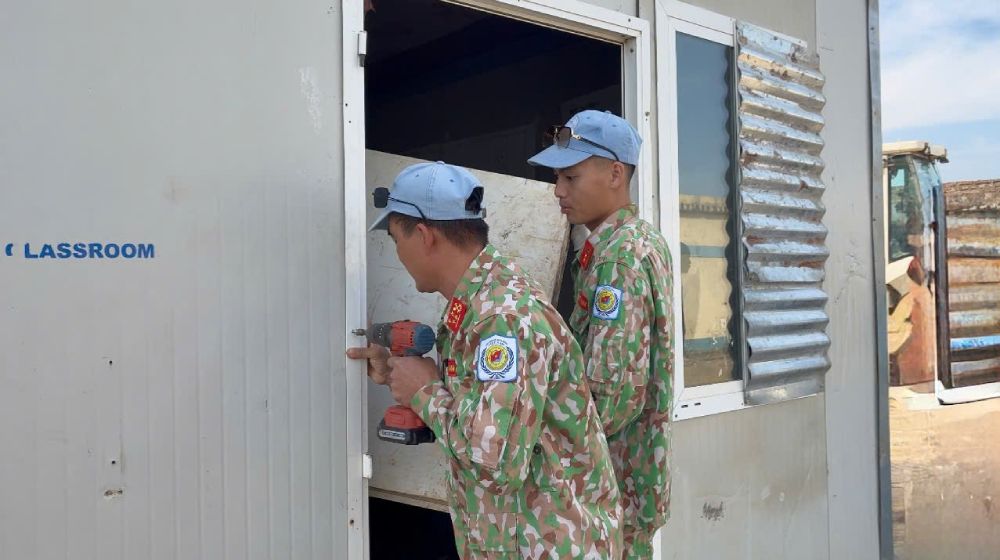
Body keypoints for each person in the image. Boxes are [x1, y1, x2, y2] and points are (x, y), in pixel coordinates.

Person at [347, 161, 622, 558]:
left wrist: (424, 393)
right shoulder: (480, 305)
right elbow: (487, 408)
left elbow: (497, 462)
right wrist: (398, 374)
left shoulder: (502, 319)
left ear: (423, 235)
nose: (398, 255)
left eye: (395, 239)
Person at [528, 110, 674, 559]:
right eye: (557, 177)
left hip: (610, 488)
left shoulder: (618, 260)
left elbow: (612, 398)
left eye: (571, 177)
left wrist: (531, 439)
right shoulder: (633, 240)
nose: (558, 191)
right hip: (620, 485)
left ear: (616, 173)